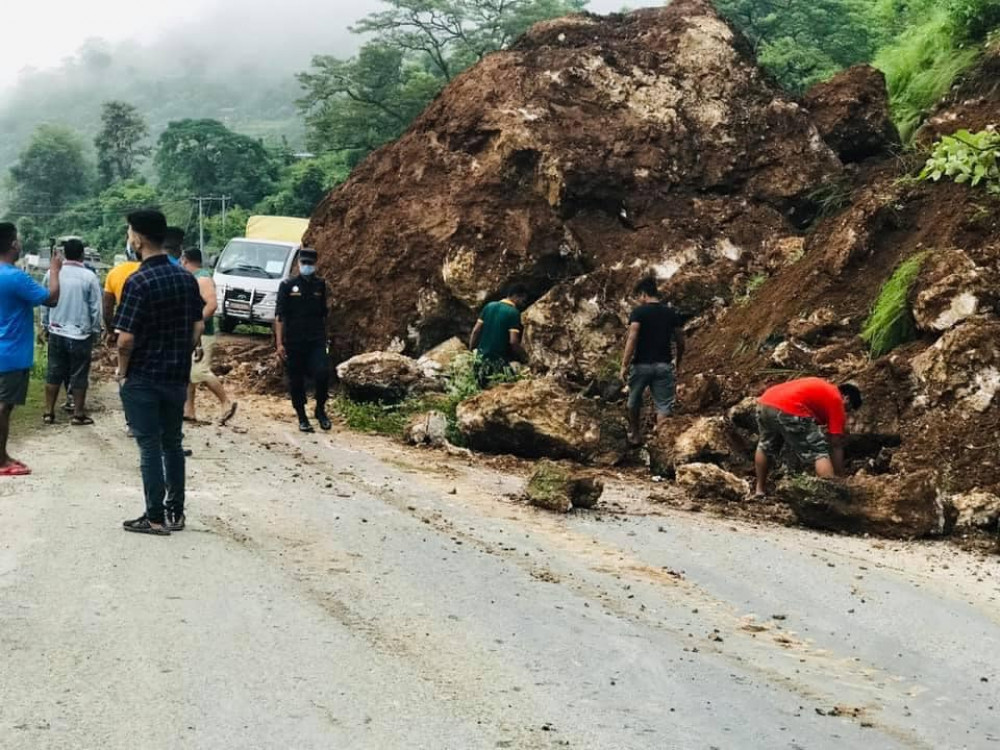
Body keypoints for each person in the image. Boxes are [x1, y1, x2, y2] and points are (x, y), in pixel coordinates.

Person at [115, 210, 204, 535]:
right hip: (175, 376)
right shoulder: (185, 277)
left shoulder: (138, 281)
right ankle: (175, 513)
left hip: (144, 376)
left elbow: (126, 340)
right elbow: (198, 323)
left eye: (129, 232)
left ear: (137, 238)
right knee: (173, 444)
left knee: (149, 446)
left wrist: (123, 372)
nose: (129, 238)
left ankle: (154, 517)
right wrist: (183, 350)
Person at [0, 222, 61, 476]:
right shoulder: (15, 278)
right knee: (4, 405)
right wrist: (55, 270)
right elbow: (52, 298)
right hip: (10, 354)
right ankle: (1, 460)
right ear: (13, 244)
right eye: (19, 239)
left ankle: (3, 454)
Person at [754, 377, 863, 498]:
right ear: (846, 399)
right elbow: (836, 443)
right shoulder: (836, 400)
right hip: (789, 408)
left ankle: (760, 490)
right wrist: (840, 477)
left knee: (765, 447)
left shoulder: (823, 387)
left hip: (765, 402)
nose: (846, 413)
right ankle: (832, 495)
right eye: (848, 409)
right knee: (819, 452)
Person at [40, 239, 102, 426]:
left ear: (65, 254)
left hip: (56, 330)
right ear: (82, 254)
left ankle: (48, 412)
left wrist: (45, 325)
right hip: (81, 333)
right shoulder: (89, 276)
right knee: (79, 374)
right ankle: (78, 414)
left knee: (54, 372)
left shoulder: (52, 273)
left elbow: (45, 302)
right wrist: (96, 331)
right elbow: (95, 308)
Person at [618, 277, 685, 446]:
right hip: (663, 365)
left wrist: (624, 364)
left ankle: (635, 434)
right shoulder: (671, 313)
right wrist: (678, 359)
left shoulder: (639, 312)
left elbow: (632, 338)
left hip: (641, 365)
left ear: (643, 294)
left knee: (633, 401)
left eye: (638, 296)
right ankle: (662, 445)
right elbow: (680, 340)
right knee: (663, 406)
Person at [274, 247, 330, 433]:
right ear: (299, 263)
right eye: (304, 263)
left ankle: (320, 409)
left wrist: (326, 338)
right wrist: (279, 344)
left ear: (315, 265)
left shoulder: (320, 285)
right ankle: (302, 416)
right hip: (294, 341)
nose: (307, 266)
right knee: (296, 380)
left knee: (322, 373)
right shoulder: (288, 285)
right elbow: (280, 316)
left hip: (316, 339)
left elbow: (324, 314)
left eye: (310, 263)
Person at [181, 248, 237, 425]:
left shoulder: (202, 278)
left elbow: (212, 305)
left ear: (185, 260)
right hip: (197, 332)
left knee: (199, 371)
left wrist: (196, 322)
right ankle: (189, 411)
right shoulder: (195, 278)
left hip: (203, 334)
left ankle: (226, 403)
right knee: (190, 374)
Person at [468, 285, 528, 387]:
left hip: (481, 362)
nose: (523, 304)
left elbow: (476, 331)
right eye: (523, 300)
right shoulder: (513, 313)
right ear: (516, 296)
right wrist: (524, 357)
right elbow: (513, 341)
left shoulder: (489, 306)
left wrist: (471, 351)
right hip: (498, 364)